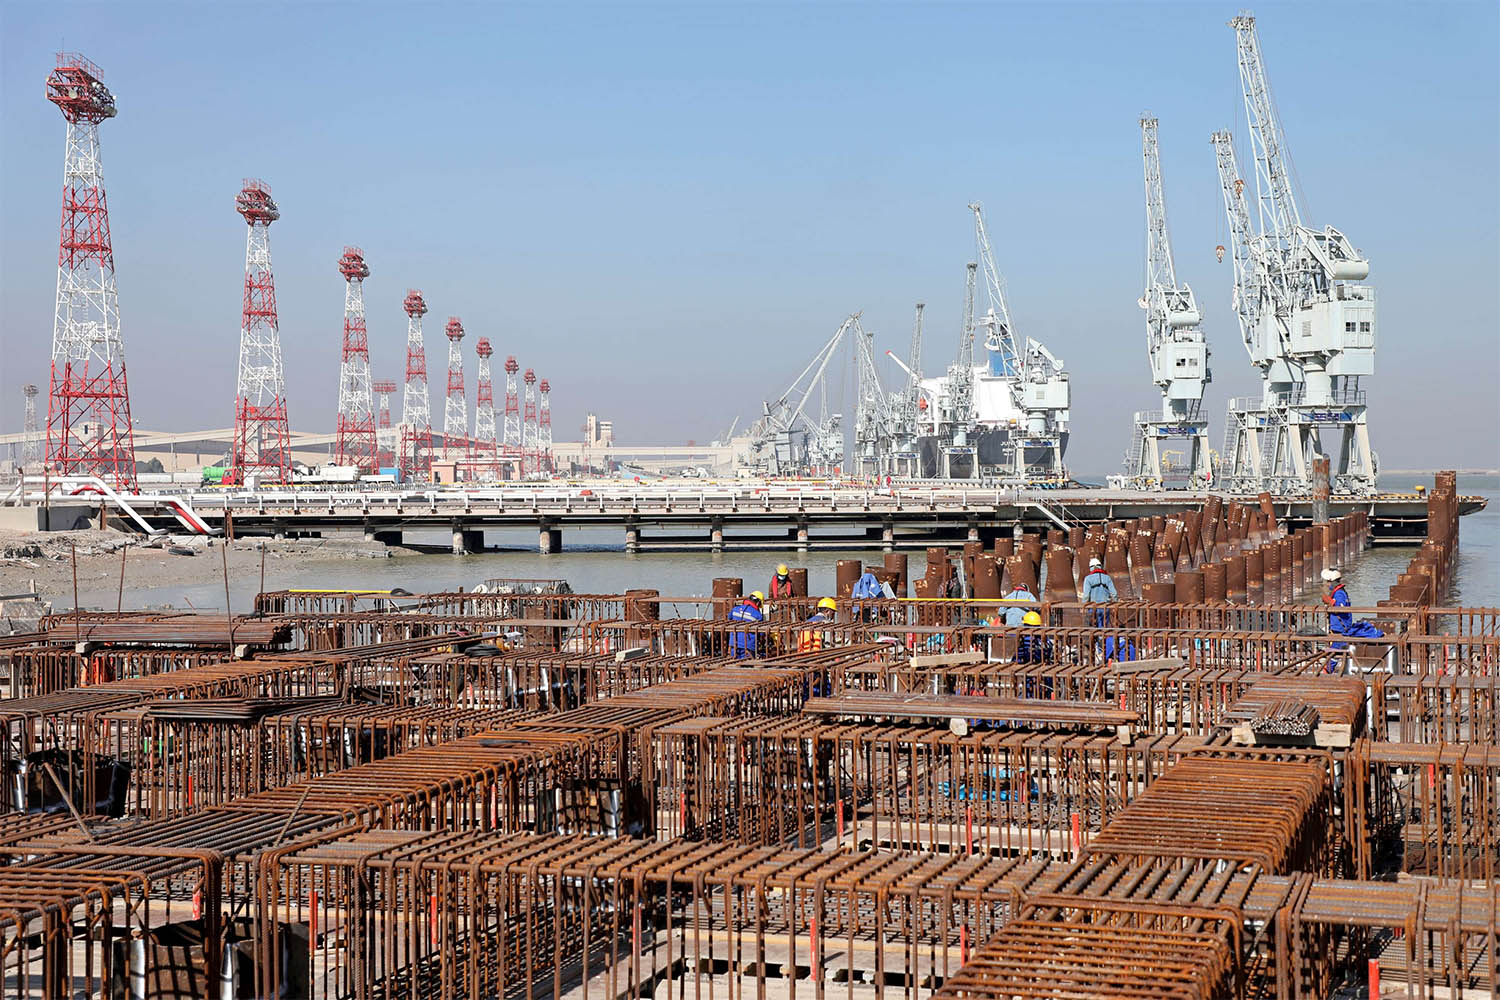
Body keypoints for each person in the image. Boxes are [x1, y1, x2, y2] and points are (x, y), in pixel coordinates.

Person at [1322, 568, 1383, 673]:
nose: (1327, 584)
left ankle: (1327, 670)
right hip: (1340, 627)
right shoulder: (1340, 592)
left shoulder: (1339, 594)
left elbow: (1340, 607)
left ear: (1333, 581)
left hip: (1340, 628)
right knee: (1336, 650)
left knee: (1335, 651)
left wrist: (1329, 601)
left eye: (1328, 582)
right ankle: (1330, 669)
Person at [1016, 610, 1054, 698]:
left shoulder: (1025, 639)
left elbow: (1018, 657)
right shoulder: (1044, 639)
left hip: (1031, 676)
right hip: (1043, 675)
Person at [728, 591, 765, 659]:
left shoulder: (735, 609)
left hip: (733, 645)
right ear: (758, 603)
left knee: (732, 666)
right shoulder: (757, 615)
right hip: (748, 647)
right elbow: (762, 633)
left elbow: (728, 620)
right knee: (746, 667)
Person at [1083, 557, 1118, 627]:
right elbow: (1114, 593)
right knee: (1104, 628)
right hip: (1105, 607)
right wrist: (1115, 604)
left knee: (1095, 629)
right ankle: (1102, 637)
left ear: (1091, 568)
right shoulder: (1107, 577)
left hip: (1093, 607)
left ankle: (1098, 637)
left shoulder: (1088, 578)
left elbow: (1086, 595)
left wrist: (1084, 605)